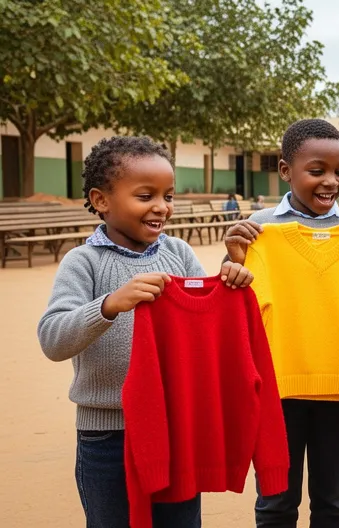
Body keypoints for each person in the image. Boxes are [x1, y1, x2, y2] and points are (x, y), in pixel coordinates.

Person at [36, 136, 254, 528]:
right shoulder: (83, 262)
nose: (161, 207)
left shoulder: (179, 253)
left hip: (176, 430)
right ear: (101, 200)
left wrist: (229, 273)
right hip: (108, 438)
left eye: (167, 195)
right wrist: (108, 305)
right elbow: (52, 339)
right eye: (145, 195)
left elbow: (201, 325)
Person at [221, 118, 339, 528]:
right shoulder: (260, 230)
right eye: (316, 171)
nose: (331, 182)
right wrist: (234, 259)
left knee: (335, 503)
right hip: (276, 392)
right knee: (275, 504)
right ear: (285, 170)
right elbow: (236, 307)